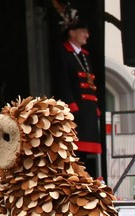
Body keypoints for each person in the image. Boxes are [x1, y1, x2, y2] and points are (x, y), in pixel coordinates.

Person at [51, 16, 102, 178]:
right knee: (75, 148)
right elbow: (63, 81)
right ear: (72, 32)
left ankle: (86, 178)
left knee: (87, 151)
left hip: (88, 109)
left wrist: (96, 108)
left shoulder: (85, 56)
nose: (87, 35)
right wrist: (71, 105)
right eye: (83, 32)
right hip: (76, 109)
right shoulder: (63, 53)